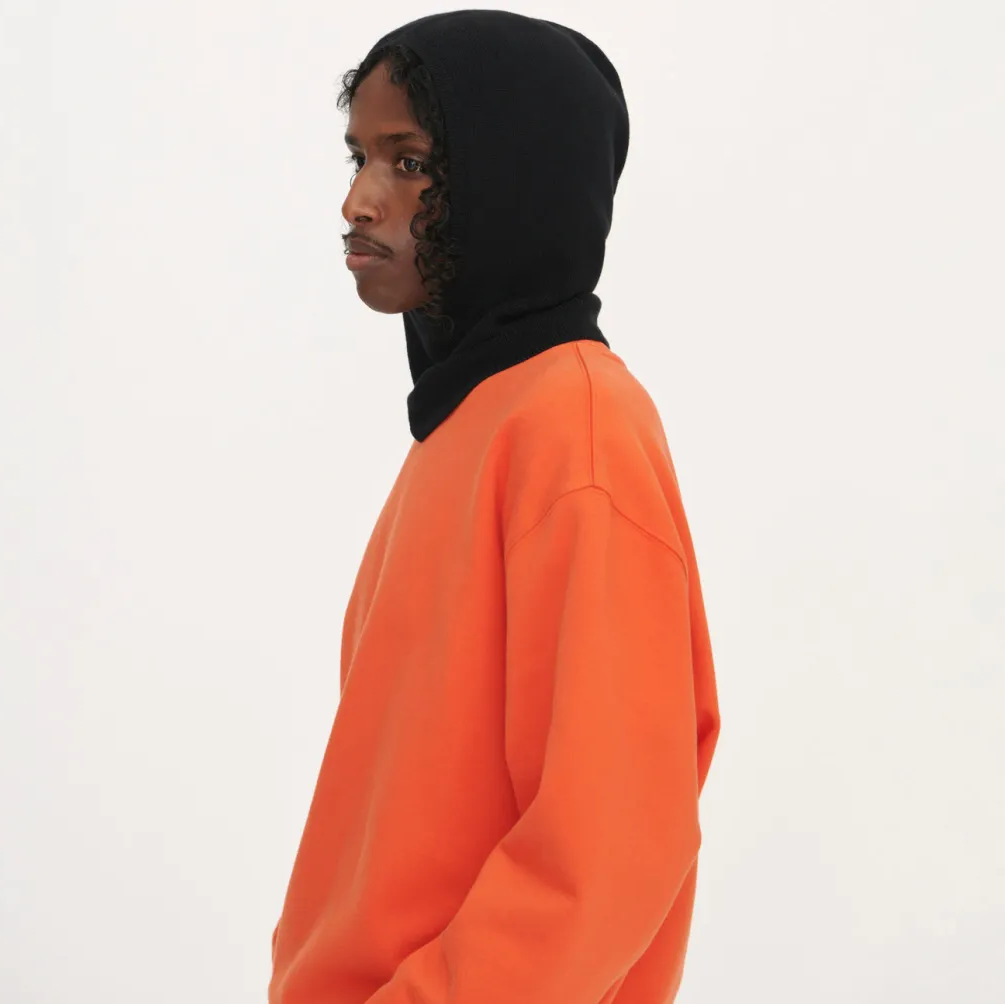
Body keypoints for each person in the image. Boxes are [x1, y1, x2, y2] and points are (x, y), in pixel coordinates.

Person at [268, 11, 721, 1004]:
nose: (357, 200)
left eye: (410, 163)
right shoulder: (468, 427)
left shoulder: (577, 431)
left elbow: (609, 845)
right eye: (357, 156)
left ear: (519, 177)